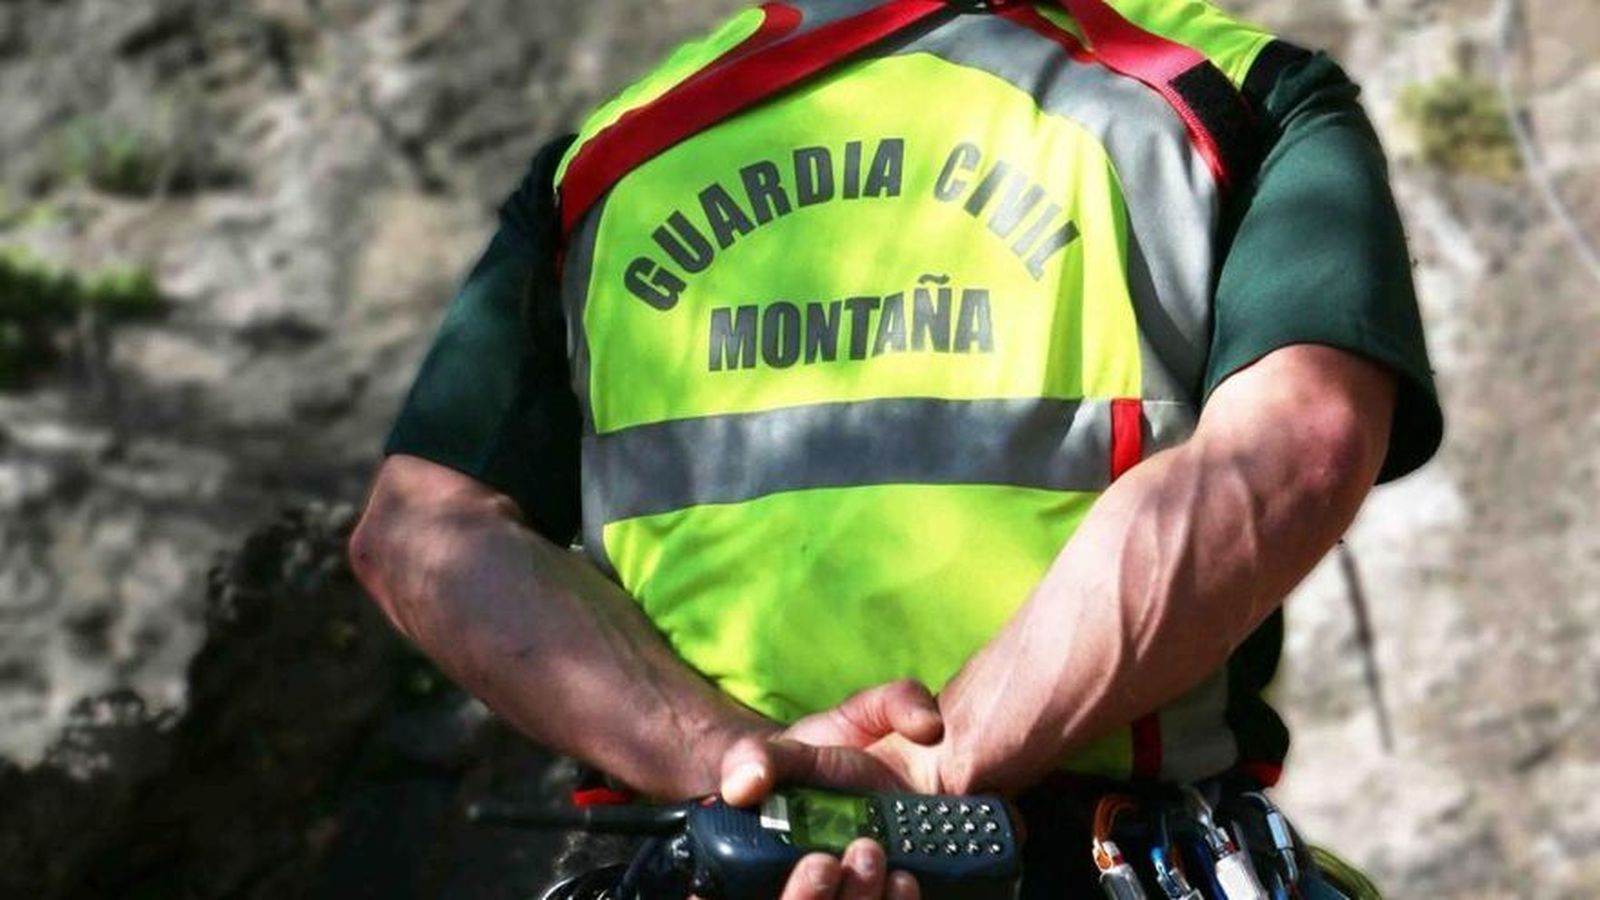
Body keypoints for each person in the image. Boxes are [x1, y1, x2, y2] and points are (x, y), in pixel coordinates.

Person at [349, 0, 1442, 896]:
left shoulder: (610, 159)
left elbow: (419, 532)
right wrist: (938, 764)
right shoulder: (1232, 98)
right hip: (1086, 861)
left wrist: (738, 771)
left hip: (710, 861)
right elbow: (1301, 439)